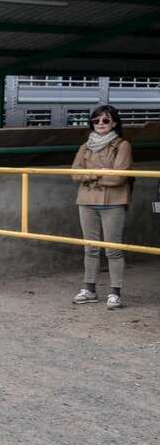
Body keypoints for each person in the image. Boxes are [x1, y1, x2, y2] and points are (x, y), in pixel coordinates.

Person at [71, 105, 133, 310]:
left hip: (112, 203)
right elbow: (74, 174)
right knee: (90, 247)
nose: (100, 124)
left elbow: (118, 177)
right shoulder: (85, 146)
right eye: (96, 120)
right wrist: (100, 173)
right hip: (87, 202)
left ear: (114, 123)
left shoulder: (122, 145)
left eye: (105, 120)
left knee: (113, 249)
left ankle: (115, 292)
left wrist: (89, 176)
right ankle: (89, 289)